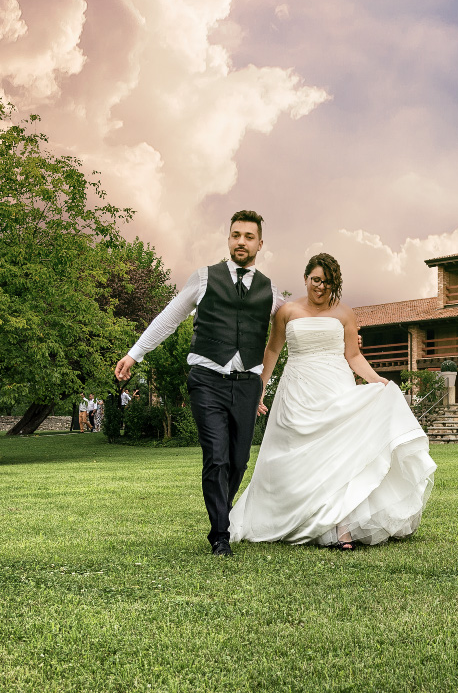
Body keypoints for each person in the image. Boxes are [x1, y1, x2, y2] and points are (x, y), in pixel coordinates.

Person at [230, 253, 436, 550]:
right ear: (306, 278)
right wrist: (259, 388)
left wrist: (377, 380)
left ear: (334, 284)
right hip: (298, 390)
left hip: (335, 386)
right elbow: (272, 351)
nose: (321, 286)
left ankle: (342, 528)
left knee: (340, 457)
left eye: (327, 282)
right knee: (295, 456)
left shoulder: (345, 314)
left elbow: (353, 355)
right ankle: (297, 516)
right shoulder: (287, 311)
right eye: (316, 279)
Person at [114, 211, 282, 557]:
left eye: (249, 236)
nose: (241, 241)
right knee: (216, 458)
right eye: (236, 235)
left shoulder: (270, 291)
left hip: (248, 384)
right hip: (207, 380)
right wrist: (135, 354)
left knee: (238, 462)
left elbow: (294, 329)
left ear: (260, 244)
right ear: (229, 238)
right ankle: (220, 534)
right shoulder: (204, 278)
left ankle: (223, 509)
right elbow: (169, 317)